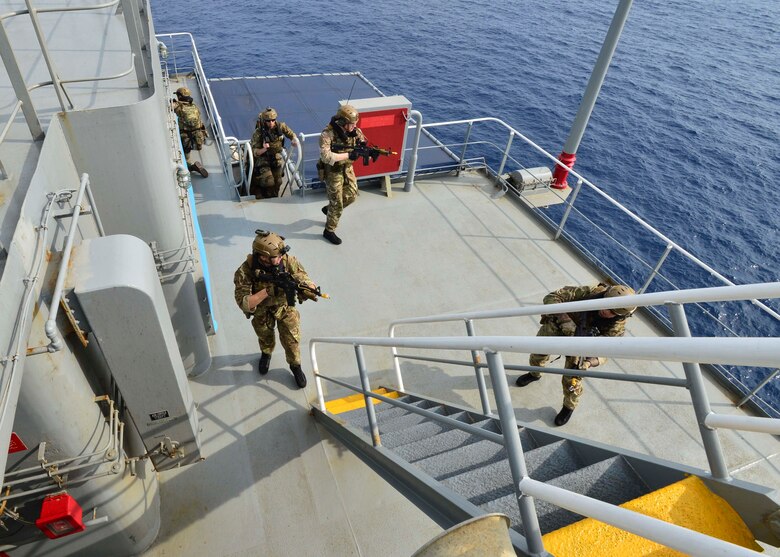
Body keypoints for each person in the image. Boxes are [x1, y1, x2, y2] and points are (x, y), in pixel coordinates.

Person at [514, 284, 636, 426]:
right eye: (606, 305)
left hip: (580, 348)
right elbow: (552, 297)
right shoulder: (589, 293)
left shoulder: (615, 328)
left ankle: (569, 407)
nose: (605, 310)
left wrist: (589, 363)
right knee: (537, 355)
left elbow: (605, 352)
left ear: (621, 315)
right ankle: (534, 374)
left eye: (611, 312)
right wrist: (565, 318)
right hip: (557, 327)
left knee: (573, 381)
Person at [233, 230, 319, 388]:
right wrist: (268, 291)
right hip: (261, 311)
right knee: (265, 336)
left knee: (292, 339)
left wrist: (309, 288)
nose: (280, 259)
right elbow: (245, 303)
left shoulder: (286, 260)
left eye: (280, 256)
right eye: (275, 257)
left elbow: (301, 275)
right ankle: (266, 354)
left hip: (284, 307)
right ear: (262, 256)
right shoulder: (245, 271)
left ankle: (295, 366)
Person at [318, 104, 366, 245]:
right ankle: (329, 230)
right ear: (343, 122)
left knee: (352, 195)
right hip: (333, 172)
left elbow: (362, 140)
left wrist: (363, 148)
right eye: (351, 124)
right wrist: (348, 154)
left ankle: (329, 210)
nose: (354, 127)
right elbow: (326, 156)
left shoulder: (355, 131)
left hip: (347, 169)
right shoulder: (327, 134)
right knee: (337, 203)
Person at [249, 107, 298, 198]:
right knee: (269, 181)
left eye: (273, 120)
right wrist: (263, 149)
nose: (271, 123)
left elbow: (290, 133)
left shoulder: (281, 126)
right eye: (268, 121)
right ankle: (258, 187)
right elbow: (254, 151)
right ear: (264, 121)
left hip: (275, 157)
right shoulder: (259, 132)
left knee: (278, 181)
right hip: (263, 158)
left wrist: (294, 139)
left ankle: (274, 196)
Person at [172, 87, 209, 178]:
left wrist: (172, 102)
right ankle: (199, 146)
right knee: (198, 146)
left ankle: (193, 167)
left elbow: (170, 107)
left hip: (186, 135)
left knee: (186, 158)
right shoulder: (194, 105)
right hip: (198, 133)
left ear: (180, 96)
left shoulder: (178, 106)